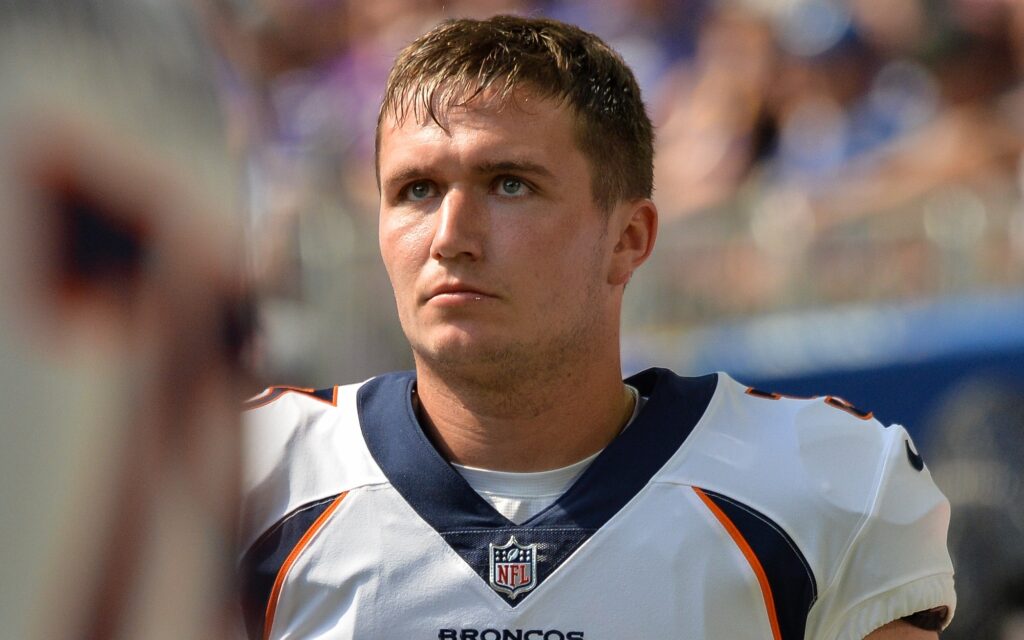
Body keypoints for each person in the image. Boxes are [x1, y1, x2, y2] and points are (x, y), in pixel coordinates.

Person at [239, 15, 955, 640]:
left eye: (510, 184)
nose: (450, 236)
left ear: (628, 239)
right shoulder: (248, 479)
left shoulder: (827, 489)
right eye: (417, 190)